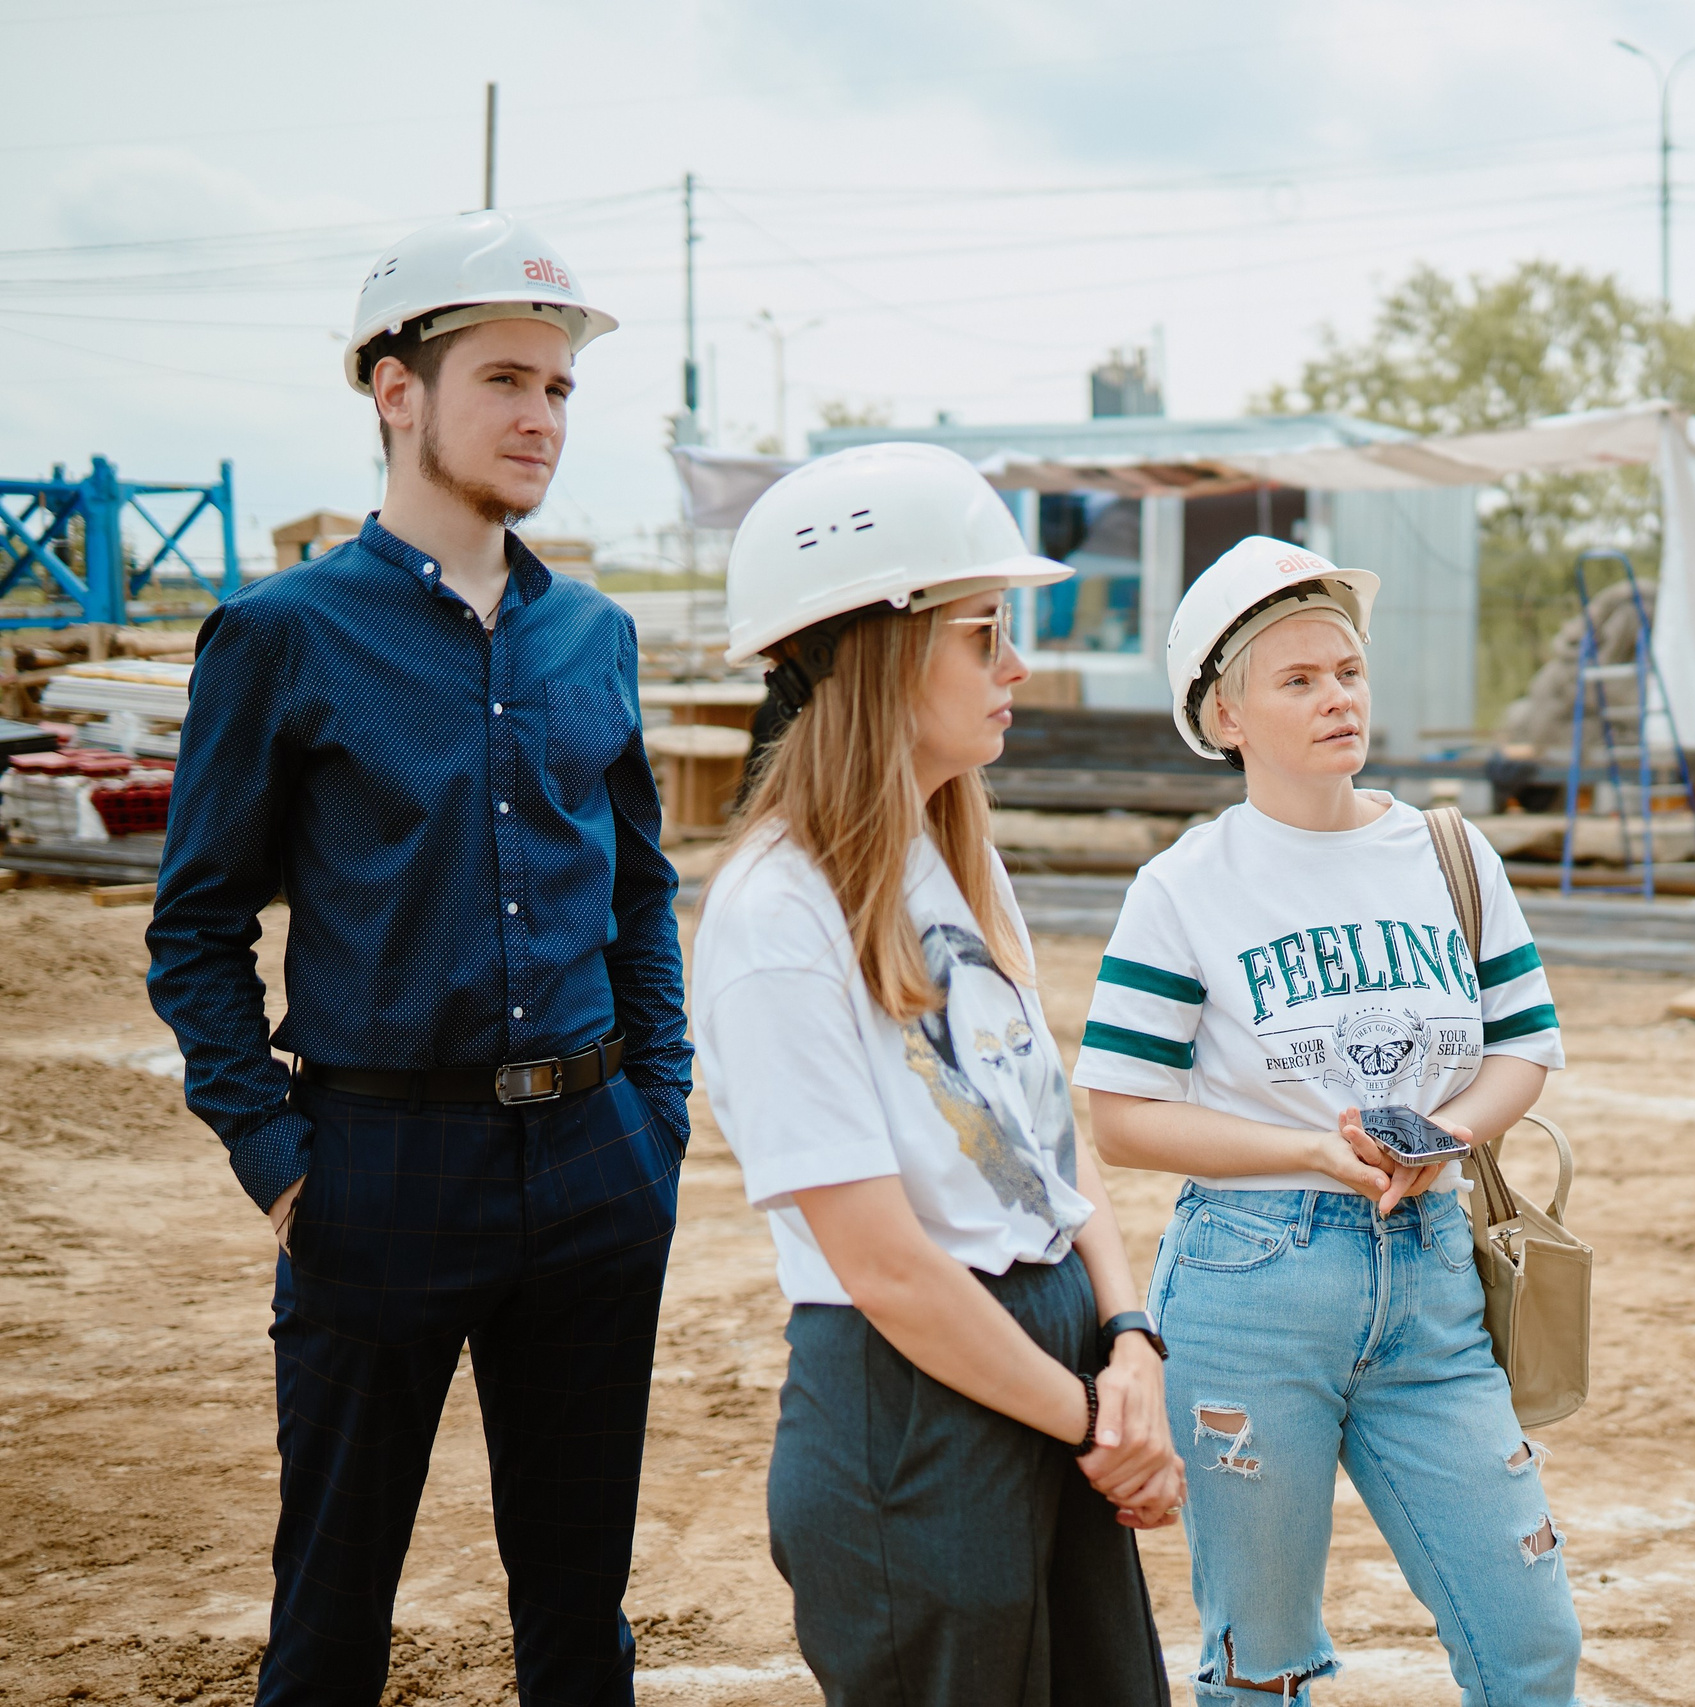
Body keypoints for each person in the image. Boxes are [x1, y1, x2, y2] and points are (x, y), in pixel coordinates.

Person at [147, 210, 692, 1705]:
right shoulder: (281, 632)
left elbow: (643, 893)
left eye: (562, 388)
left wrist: (657, 1115)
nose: (541, 417)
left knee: (581, 1620)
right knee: (331, 1619)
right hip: (376, 1165)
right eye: (508, 378)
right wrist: (279, 1155)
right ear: (397, 389)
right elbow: (195, 925)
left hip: (595, 1159)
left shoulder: (597, 636)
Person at [692, 443, 1182, 1706]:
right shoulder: (774, 916)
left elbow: (1044, 1156)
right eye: (985, 632)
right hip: (916, 1408)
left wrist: (1129, 1342)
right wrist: (1092, 1424)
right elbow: (888, 1266)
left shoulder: (951, 850)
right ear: (878, 649)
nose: (1016, 665)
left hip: (1052, 1355)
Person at [1076, 536, 1582, 1706]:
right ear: (1225, 713)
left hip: (1431, 1276)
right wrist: (1310, 1151)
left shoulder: (1448, 852)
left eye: (1346, 670)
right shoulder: (1185, 884)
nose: (1336, 697)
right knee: (1261, 1666)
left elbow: (1524, 1049)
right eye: (1297, 680)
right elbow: (1121, 1117)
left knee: (1530, 1640)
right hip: (1250, 1283)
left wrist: (1443, 1139)